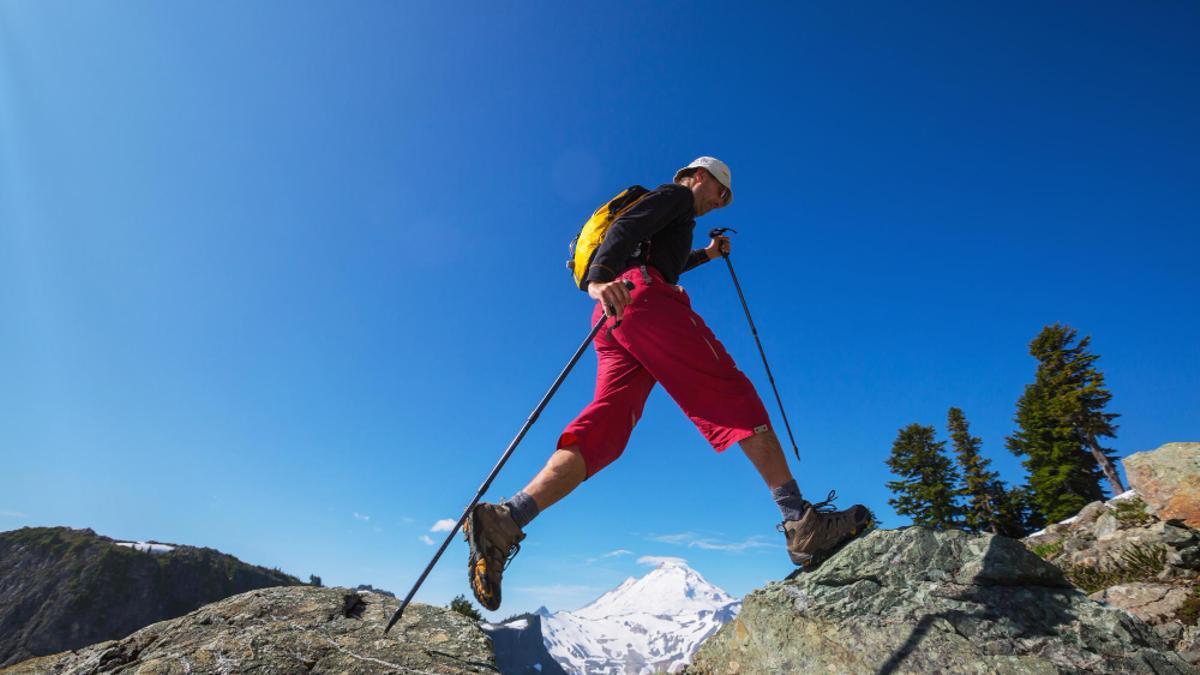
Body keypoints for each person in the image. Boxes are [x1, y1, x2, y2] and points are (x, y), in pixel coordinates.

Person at [464, 157, 870, 611]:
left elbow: (658, 257)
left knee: (607, 428)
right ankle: (800, 522)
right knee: (729, 390)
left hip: (615, 315)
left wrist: (707, 256)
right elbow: (630, 231)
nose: (723, 201)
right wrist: (600, 279)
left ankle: (507, 518)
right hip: (640, 299)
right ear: (699, 176)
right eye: (722, 190)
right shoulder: (675, 195)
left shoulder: (677, 221)